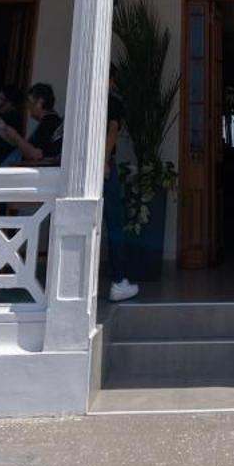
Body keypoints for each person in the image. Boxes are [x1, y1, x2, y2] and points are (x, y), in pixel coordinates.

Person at [104, 67, 138, 303]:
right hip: (103, 167)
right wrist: (104, 161)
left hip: (85, 164)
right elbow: (113, 131)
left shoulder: (88, 99)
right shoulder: (112, 100)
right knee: (114, 222)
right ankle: (118, 280)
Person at [0, 83, 63, 166]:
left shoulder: (49, 122)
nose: (28, 107)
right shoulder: (49, 121)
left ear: (40, 102)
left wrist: (15, 136)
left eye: (30, 102)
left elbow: (34, 155)